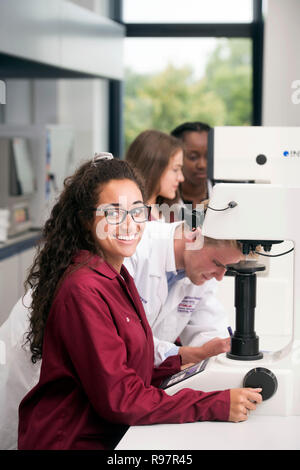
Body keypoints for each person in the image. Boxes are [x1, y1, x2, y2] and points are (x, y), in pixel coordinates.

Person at [14, 154, 262, 450]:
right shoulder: (85, 287)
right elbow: (120, 398)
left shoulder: (116, 275)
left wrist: (182, 361)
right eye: (113, 213)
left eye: (137, 211)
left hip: (103, 431)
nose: (129, 224)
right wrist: (215, 404)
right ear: (85, 218)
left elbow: (130, 364)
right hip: (68, 438)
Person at [126, 219, 243, 366]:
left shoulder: (201, 273)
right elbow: (126, 337)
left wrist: (220, 349)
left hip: (145, 376)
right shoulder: (135, 247)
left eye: (227, 268)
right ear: (194, 238)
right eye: (217, 263)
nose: (219, 277)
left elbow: (209, 332)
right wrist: (195, 354)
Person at [125, 129, 184, 220]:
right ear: (154, 169)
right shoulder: (133, 217)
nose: (181, 178)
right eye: (175, 169)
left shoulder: (171, 209)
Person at [171, 121, 212, 209]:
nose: (202, 165)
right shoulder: (161, 199)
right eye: (193, 157)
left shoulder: (229, 193)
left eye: (208, 156)